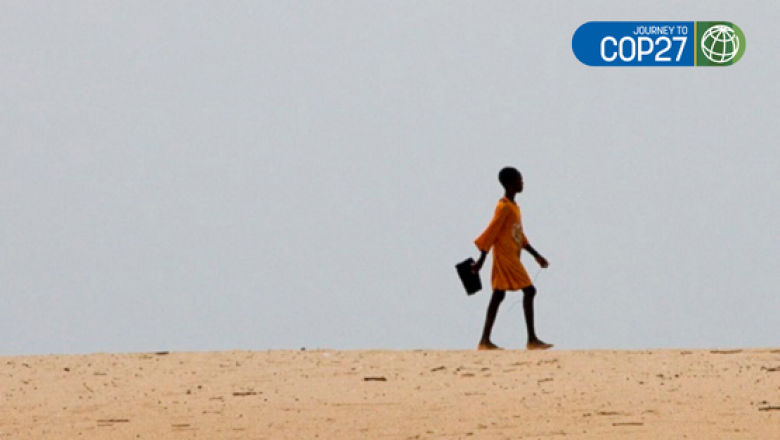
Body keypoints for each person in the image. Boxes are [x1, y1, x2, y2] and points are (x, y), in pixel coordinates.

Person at [472, 167, 553, 350]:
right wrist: (481, 260)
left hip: (512, 255)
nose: (522, 183)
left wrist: (536, 256)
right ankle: (531, 339)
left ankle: (484, 340)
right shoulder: (504, 207)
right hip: (505, 257)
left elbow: (519, 236)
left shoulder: (514, 207)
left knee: (498, 295)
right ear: (509, 183)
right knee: (530, 291)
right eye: (519, 180)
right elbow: (491, 232)